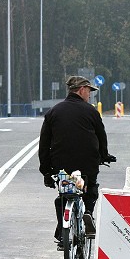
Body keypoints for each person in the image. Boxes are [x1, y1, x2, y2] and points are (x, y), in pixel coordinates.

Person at [38, 75, 116, 249]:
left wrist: (46, 172)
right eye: (89, 91)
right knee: (90, 188)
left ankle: (62, 230)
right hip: (87, 165)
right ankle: (87, 212)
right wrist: (104, 155)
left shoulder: (53, 112)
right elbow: (101, 138)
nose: (90, 95)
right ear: (81, 90)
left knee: (63, 197)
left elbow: (43, 145)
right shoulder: (91, 112)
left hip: (62, 166)